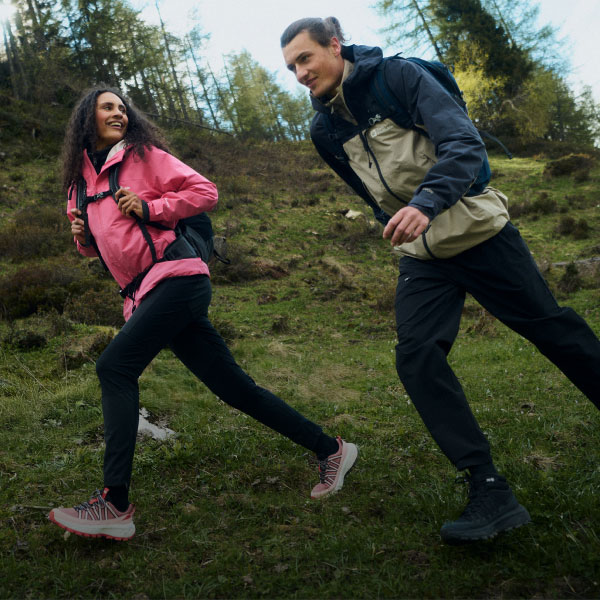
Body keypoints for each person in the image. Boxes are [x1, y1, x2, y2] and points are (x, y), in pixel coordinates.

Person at [280, 17, 600, 544]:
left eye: (305, 58)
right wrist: (397, 221)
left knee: (552, 329)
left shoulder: (399, 77)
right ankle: (488, 489)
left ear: (334, 46)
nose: (299, 73)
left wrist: (425, 204)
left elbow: (464, 144)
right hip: (423, 255)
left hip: (478, 231)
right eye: (291, 67)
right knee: (417, 356)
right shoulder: (324, 130)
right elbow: (366, 190)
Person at [48, 85, 358, 541]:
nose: (119, 113)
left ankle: (114, 503)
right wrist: (82, 237)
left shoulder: (142, 156)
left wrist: (150, 206)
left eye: (122, 107)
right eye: (107, 107)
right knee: (234, 387)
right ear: (85, 119)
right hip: (143, 294)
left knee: (114, 367)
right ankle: (331, 449)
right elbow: (101, 247)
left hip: (178, 279)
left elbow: (205, 191)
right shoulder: (78, 185)